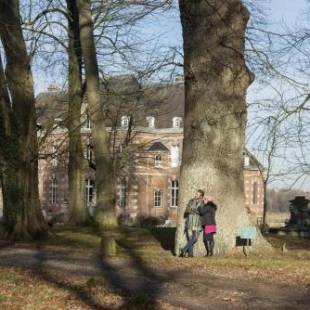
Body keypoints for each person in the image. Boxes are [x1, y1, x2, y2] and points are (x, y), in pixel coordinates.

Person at [180, 189, 205, 257]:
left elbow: (201, 212)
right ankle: (191, 254)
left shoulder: (202, 203)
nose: (195, 195)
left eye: (197, 194)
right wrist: (195, 210)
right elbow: (187, 210)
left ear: (201, 196)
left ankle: (184, 249)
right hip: (190, 221)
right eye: (196, 193)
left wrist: (193, 209)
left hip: (197, 222)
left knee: (195, 238)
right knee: (190, 237)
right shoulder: (191, 201)